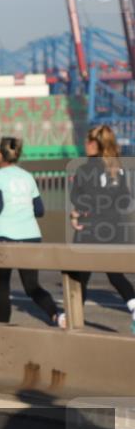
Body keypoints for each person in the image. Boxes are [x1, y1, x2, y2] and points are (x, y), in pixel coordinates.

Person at [0, 137, 64, 327]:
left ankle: (3, 328)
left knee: (2, 285)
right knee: (32, 286)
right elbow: (40, 211)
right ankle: (58, 316)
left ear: (0, 155)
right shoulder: (28, 176)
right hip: (31, 236)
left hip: (6, 236)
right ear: (17, 155)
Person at [67, 125, 135, 334]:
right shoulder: (120, 169)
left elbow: (77, 199)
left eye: (89, 141)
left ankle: (75, 321)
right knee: (115, 276)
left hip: (91, 229)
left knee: (79, 276)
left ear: (98, 145)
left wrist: (79, 212)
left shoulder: (85, 169)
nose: (85, 145)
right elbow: (125, 200)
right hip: (113, 229)